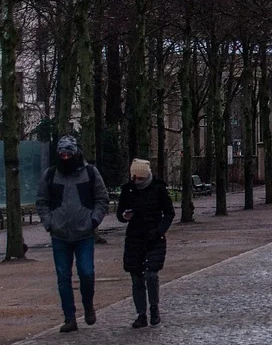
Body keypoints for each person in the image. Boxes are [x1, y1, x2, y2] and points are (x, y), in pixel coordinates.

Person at [34, 135, 109, 333]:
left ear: (75, 153)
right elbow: (41, 201)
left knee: (87, 273)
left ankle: (88, 305)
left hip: (84, 233)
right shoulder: (51, 175)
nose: (65, 157)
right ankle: (69, 317)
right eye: (62, 154)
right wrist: (49, 223)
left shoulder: (90, 173)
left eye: (69, 153)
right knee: (63, 277)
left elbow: (102, 198)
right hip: (59, 234)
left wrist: (93, 220)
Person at [117, 158, 175, 328]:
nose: (136, 181)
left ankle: (154, 308)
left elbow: (169, 213)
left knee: (152, 274)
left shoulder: (158, 188)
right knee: (136, 277)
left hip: (154, 237)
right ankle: (141, 313)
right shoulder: (128, 190)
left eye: (140, 178)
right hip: (134, 238)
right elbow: (120, 212)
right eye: (134, 178)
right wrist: (124, 216)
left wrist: (159, 231)